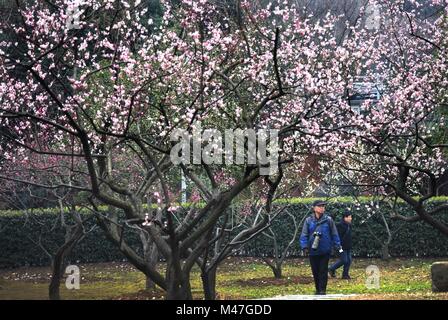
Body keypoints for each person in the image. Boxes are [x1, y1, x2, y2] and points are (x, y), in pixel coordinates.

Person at [300, 200, 342, 295]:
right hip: (312, 251)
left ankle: (322, 290)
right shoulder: (308, 220)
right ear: (314, 208)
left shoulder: (328, 220)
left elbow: (334, 234)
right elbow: (304, 234)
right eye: (320, 206)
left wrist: (337, 246)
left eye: (323, 206)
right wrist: (304, 247)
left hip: (325, 250)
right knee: (315, 271)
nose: (322, 208)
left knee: (323, 270)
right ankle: (317, 289)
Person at [329, 212, 353, 279]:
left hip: (348, 246)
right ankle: (331, 268)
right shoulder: (339, 225)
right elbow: (337, 236)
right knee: (344, 260)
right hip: (341, 246)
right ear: (345, 217)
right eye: (349, 217)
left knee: (349, 260)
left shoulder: (349, 225)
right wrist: (338, 245)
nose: (351, 218)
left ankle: (345, 275)